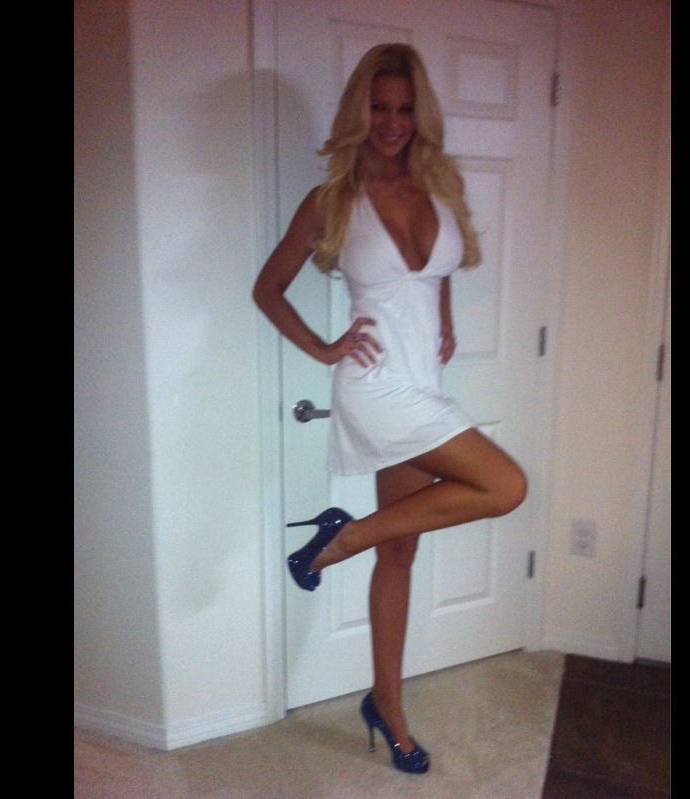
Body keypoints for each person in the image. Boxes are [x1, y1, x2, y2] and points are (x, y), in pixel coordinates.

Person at [253, 43, 527, 775]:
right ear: (359, 111)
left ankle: (386, 706)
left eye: (404, 108)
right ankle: (339, 538)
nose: (392, 122)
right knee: (505, 486)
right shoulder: (332, 200)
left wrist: (445, 318)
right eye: (379, 107)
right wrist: (323, 349)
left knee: (400, 551)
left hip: (422, 382)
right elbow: (267, 288)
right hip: (375, 387)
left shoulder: (440, 184)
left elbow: (435, 269)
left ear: (419, 114)